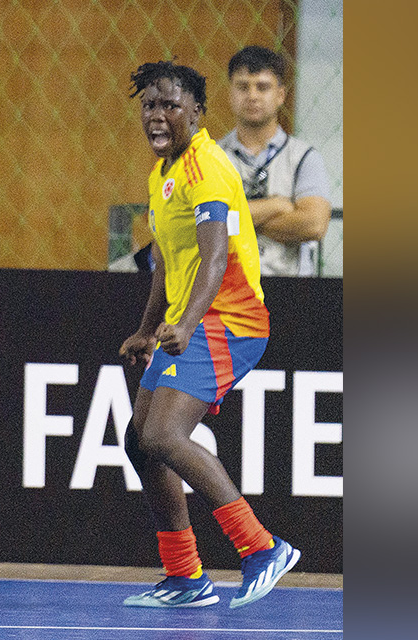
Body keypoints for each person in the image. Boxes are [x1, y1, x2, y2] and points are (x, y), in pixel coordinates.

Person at [118, 61, 299, 609]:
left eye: (170, 105)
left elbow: (215, 257)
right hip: (188, 321)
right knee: (139, 442)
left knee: (164, 436)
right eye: (149, 104)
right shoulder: (163, 172)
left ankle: (262, 547)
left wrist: (187, 324)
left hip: (229, 322)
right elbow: (168, 266)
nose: (157, 115)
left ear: (196, 113)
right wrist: (148, 330)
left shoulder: (205, 168)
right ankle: (185, 576)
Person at [218, 45, 332, 277]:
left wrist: (234, 220)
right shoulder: (212, 156)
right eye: (242, 87)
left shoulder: (305, 157)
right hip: (225, 289)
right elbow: (200, 225)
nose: (252, 95)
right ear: (230, 94)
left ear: (281, 95)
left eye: (262, 87)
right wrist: (277, 206)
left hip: (290, 290)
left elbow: (314, 225)